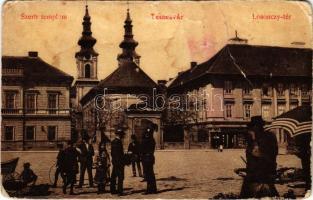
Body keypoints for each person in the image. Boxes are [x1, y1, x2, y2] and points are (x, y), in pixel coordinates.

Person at [240, 116, 279, 198]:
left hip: (262, 175)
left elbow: (261, 155)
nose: (250, 130)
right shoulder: (256, 138)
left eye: (252, 128)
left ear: (257, 127)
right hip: (254, 174)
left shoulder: (267, 138)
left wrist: (254, 141)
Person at [141, 126, 157, 194]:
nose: (146, 135)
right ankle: (153, 189)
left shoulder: (147, 140)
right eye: (146, 133)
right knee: (150, 174)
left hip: (147, 158)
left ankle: (150, 189)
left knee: (149, 174)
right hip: (149, 158)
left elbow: (142, 149)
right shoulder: (152, 140)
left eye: (147, 133)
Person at [110, 128, 125, 196]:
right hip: (119, 162)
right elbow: (118, 154)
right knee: (120, 176)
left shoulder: (113, 141)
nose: (123, 136)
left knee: (113, 176)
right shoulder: (118, 142)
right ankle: (120, 191)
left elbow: (112, 153)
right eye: (122, 135)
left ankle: (112, 190)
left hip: (115, 161)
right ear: (120, 135)